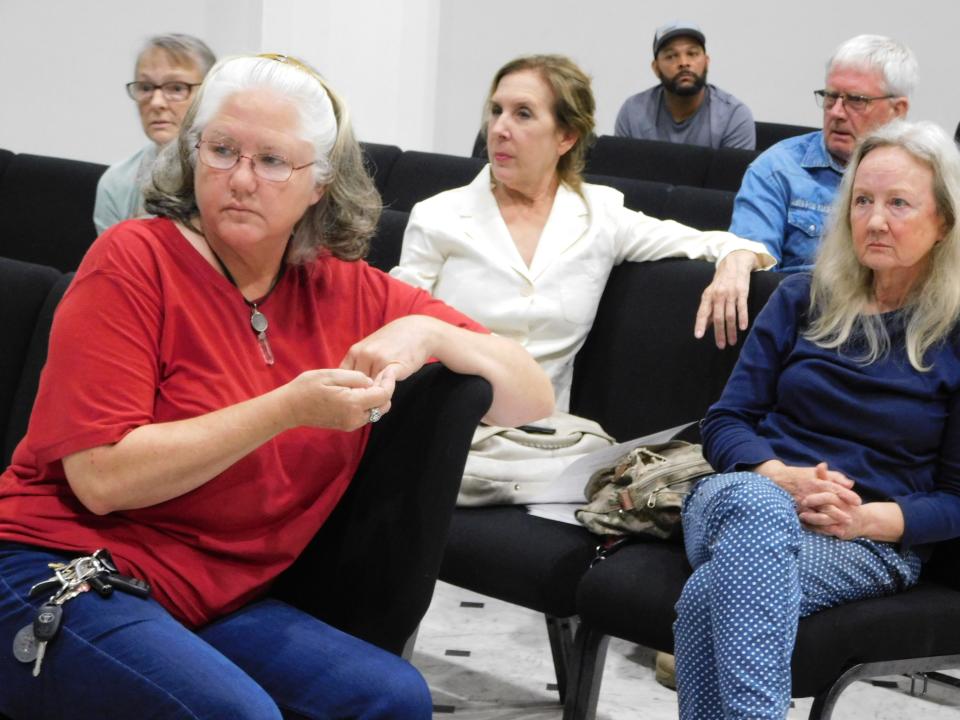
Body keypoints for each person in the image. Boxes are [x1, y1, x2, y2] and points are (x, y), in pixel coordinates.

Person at [0, 54, 554, 719]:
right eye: (222, 150)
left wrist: (432, 336)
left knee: (393, 698)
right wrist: (287, 408)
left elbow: (532, 395)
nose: (239, 178)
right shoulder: (134, 258)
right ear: (192, 156)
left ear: (318, 183)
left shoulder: (346, 288)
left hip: (207, 598)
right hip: (56, 568)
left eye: (270, 161)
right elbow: (101, 478)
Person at [675, 120, 960, 719]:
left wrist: (864, 519)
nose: (875, 220)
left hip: (864, 537)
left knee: (710, 594)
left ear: (944, 222)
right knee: (759, 511)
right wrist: (781, 477)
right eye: (862, 200)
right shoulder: (803, 297)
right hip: (742, 495)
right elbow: (725, 422)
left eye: (899, 203)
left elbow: (956, 500)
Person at [391, 53, 774, 423]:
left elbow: (715, 242)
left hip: (541, 436)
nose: (498, 128)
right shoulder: (438, 215)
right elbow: (393, 327)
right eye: (496, 111)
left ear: (566, 137)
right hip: (443, 424)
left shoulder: (600, 215)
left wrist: (737, 257)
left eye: (522, 113)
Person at [729, 34, 916, 272]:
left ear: (897, 111)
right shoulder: (777, 169)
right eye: (830, 96)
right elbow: (754, 275)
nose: (836, 112)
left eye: (856, 100)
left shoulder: (928, 179)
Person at [93, 33, 216, 234]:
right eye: (146, 88)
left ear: (211, 93)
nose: (156, 102)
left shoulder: (231, 178)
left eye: (177, 88)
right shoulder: (116, 183)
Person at [614, 21, 755, 150]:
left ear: (706, 62)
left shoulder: (733, 116)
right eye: (671, 56)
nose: (683, 62)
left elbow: (731, 177)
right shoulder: (633, 112)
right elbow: (618, 175)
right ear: (656, 68)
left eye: (692, 54)